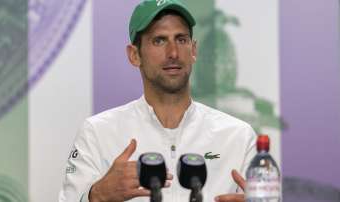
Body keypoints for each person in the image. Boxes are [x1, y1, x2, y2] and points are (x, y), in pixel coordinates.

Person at [59, 0, 256, 201]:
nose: (173, 53)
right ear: (134, 55)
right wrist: (98, 195)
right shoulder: (98, 133)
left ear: (194, 50)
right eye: (159, 41)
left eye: (181, 40)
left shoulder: (239, 136)